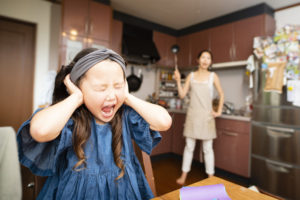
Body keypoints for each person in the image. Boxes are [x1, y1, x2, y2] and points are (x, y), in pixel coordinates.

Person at [17, 48, 172, 200]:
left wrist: (127, 97)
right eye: (101, 88)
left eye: (117, 86)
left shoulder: (125, 114)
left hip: (124, 190)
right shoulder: (70, 118)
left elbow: (164, 122)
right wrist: (76, 98)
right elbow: (40, 130)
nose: (112, 96)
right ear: (77, 87)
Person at [174, 50, 224, 185]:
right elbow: (182, 95)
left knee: (208, 149)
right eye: (203, 57)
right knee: (189, 147)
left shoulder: (213, 76)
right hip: (192, 116)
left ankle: (210, 178)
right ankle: (184, 176)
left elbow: (221, 94)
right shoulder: (191, 76)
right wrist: (179, 80)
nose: (205, 60)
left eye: (208, 58)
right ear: (198, 59)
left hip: (207, 117)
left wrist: (218, 111)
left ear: (211, 62)